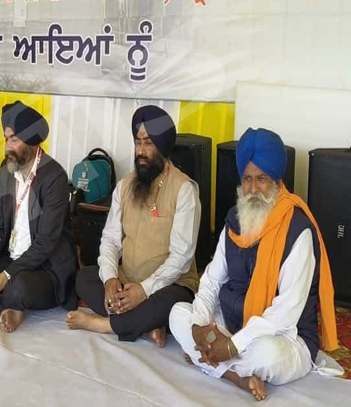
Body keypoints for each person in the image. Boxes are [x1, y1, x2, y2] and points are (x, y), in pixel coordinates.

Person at [169, 128, 338, 401]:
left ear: (277, 181)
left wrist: (232, 346)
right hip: (233, 324)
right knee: (178, 314)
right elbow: (211, 280)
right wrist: (199, 326)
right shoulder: (235, 220)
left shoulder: (298, 230)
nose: (254, 189)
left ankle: (212, 362)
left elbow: (285, 313)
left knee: (266, 354)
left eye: (262, 179)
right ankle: (237, 376)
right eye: (247, 179)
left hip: (284, 336)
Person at [67, 106, 200, 347]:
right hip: (127, 279)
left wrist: (144, 290)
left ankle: (106, 324)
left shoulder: (184, 190)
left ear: (163, 146)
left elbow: (181, 258)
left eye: (148, 143)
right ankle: (147, 325)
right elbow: (110, 240)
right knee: (84, 278)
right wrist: (110, 280)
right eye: (138, 143)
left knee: (174, 303)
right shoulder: (125, 186)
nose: (141, 151)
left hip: (168, 285)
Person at [0, 101, 78, 333]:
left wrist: (3, 278)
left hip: (44, 269)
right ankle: (1, 310)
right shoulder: (6, 170)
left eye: (14, 140)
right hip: (11, 259)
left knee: (20, 289)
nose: (8, 147)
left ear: (32, 143)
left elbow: (45, 243)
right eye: (6, 139)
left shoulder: (54, 177)